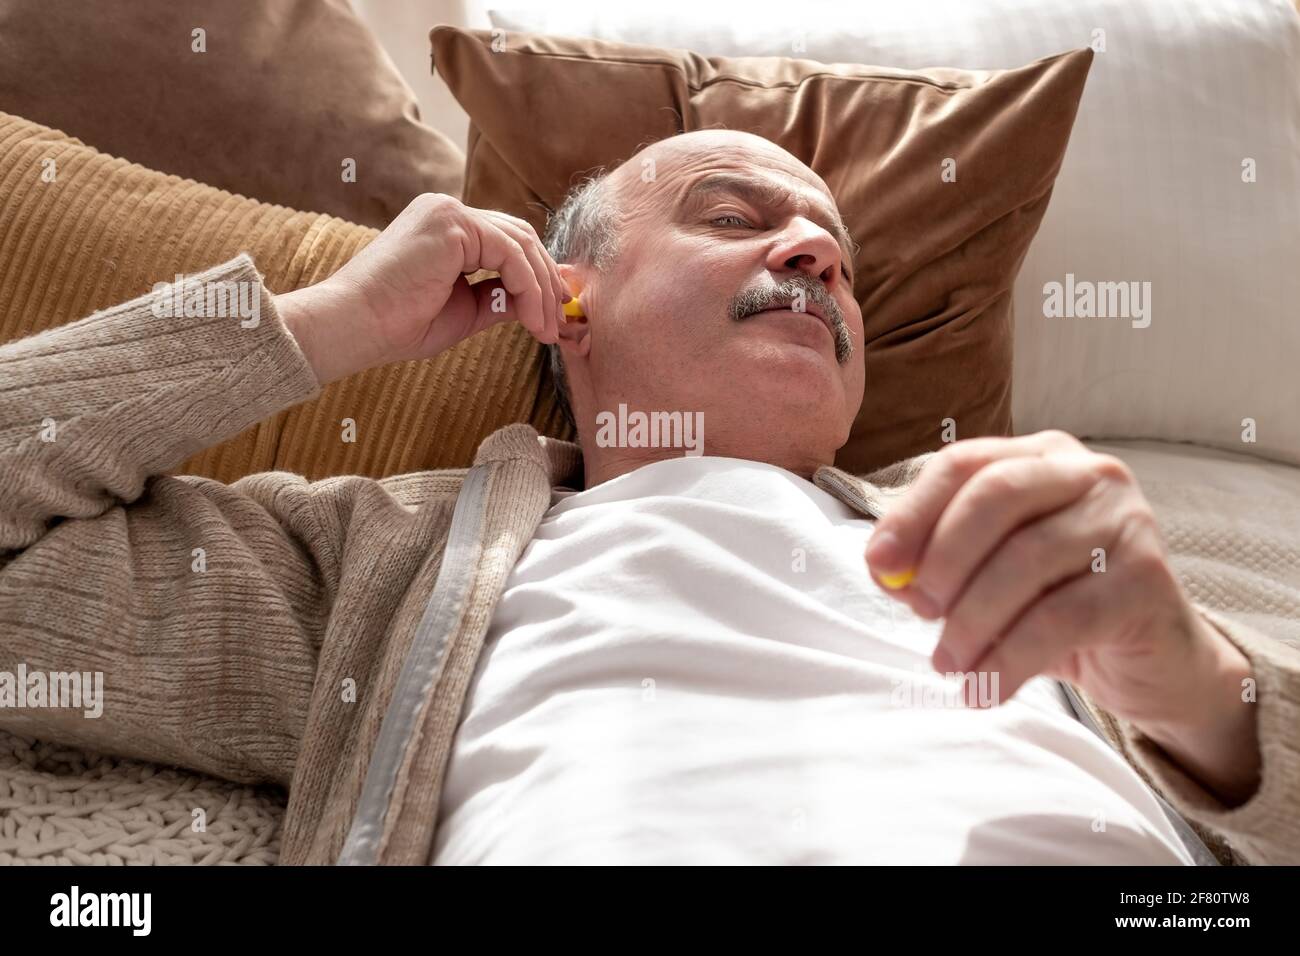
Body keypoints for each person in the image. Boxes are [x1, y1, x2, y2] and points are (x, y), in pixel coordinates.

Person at [1, 130, 1294, 865]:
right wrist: (326, 321)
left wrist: (1191, 673)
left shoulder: (1012, 535)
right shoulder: (386, 560)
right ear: (569, 302)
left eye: (831, 255)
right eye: (731, 215)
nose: (815, 253)